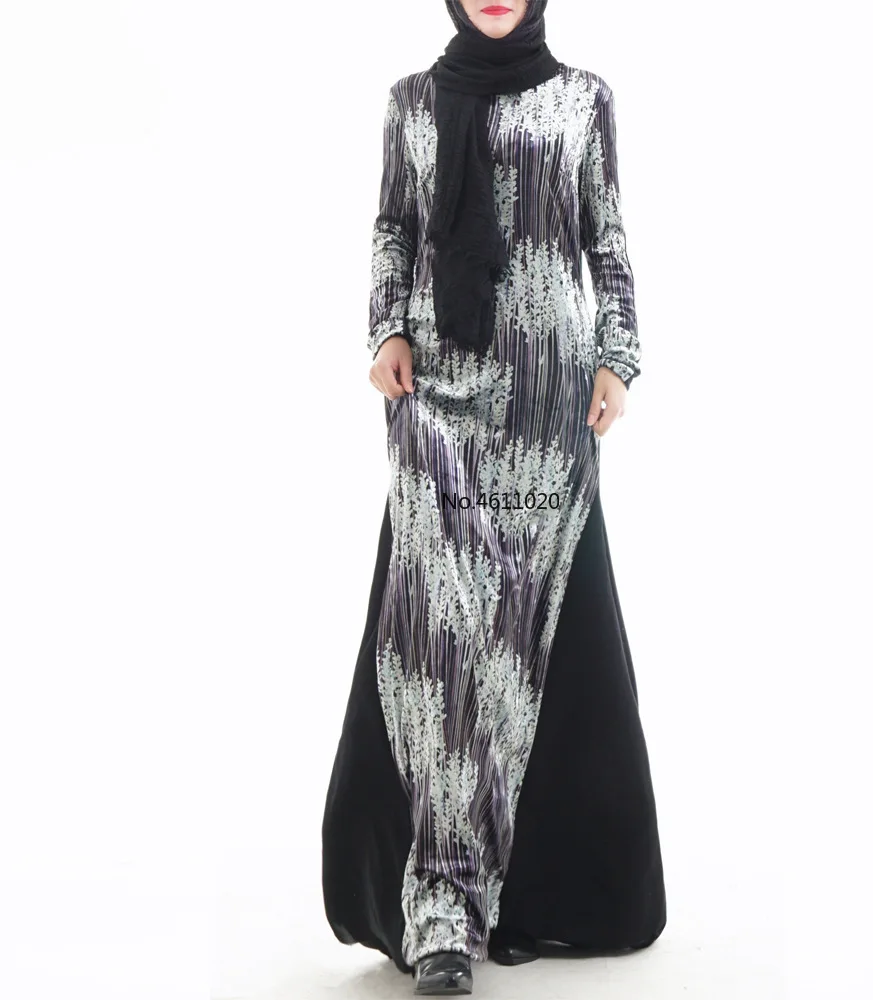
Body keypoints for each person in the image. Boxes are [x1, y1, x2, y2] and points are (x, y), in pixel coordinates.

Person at [321, 1, 666, 994]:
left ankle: (520, 889)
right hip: (433, 396)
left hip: (550, 408)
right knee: (437, 636)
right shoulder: (412, 104)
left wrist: (618, 357)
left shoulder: (583, 100)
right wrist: (386, 329)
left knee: (521, 637)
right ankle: (438, 905)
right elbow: (394, 228)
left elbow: (607, 239)